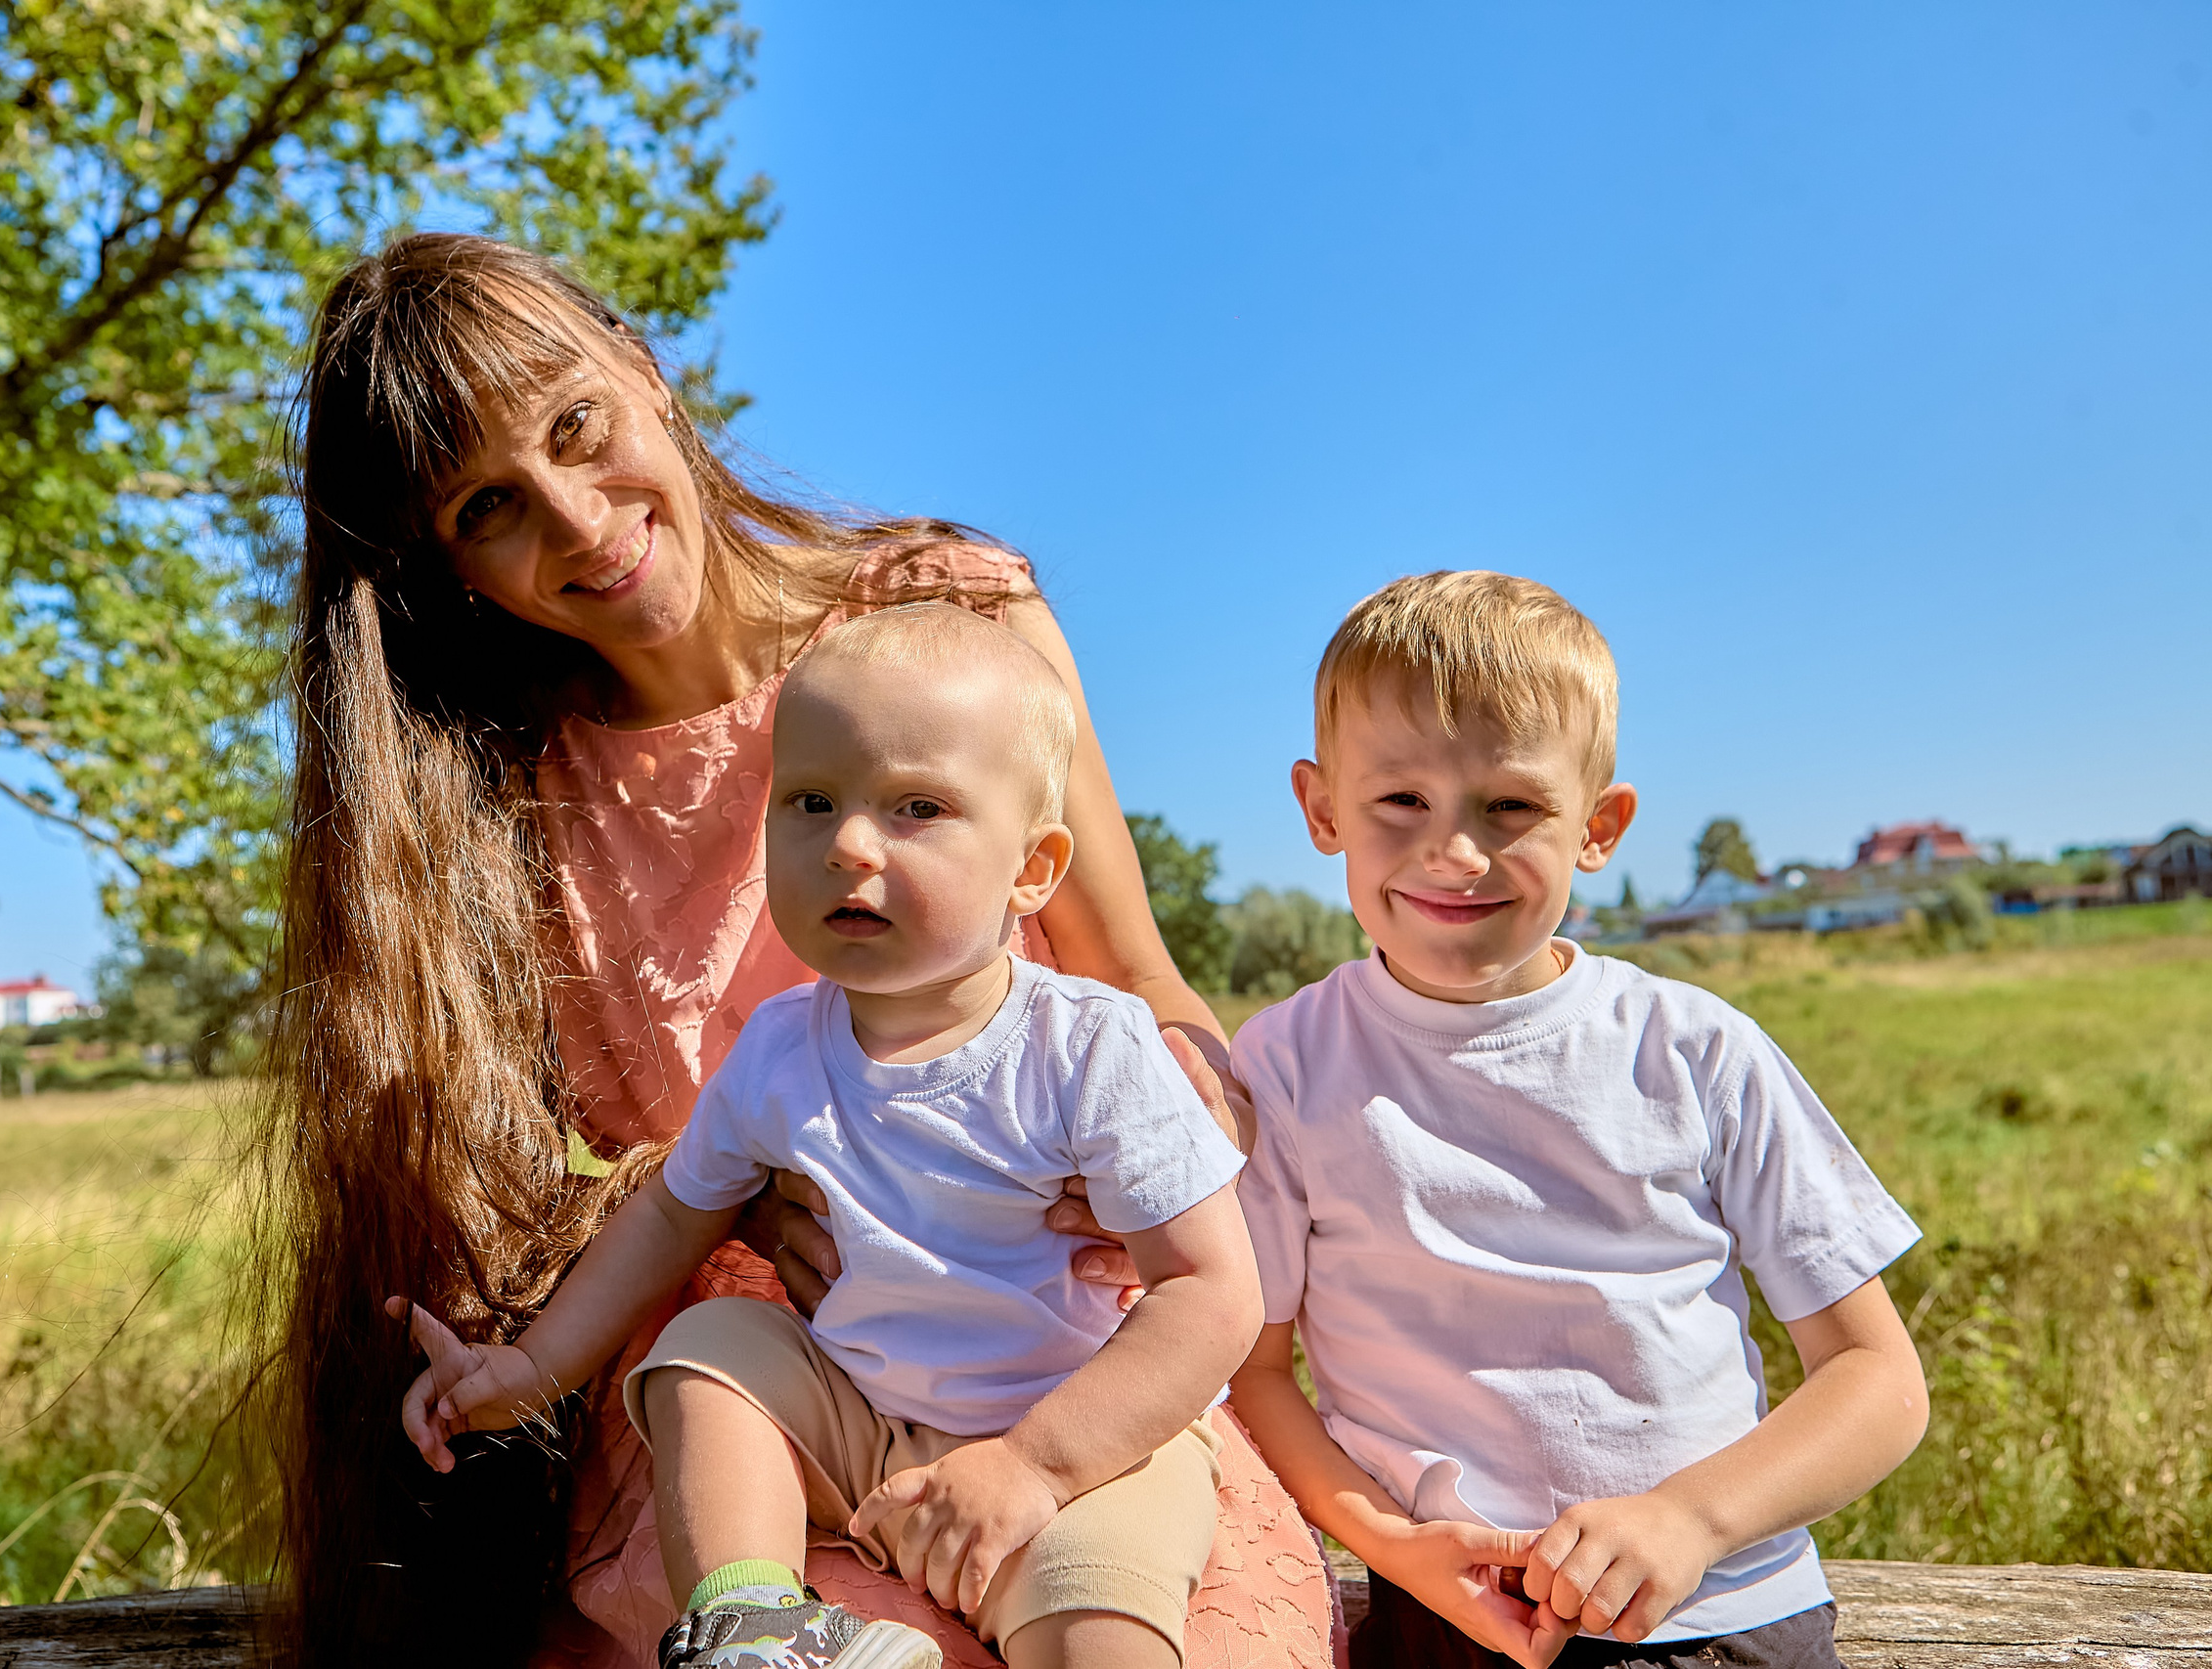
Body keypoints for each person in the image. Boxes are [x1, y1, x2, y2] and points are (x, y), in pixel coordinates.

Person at [266, 231, 1332, 1669]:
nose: (580, 521)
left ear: (645, 367)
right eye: (492, 507)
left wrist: (1177, 1111)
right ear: (451, 569)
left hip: (1058, 1344)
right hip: (769, 1412)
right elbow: (564, 1179)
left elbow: (1131, 968)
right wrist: (746, 1194)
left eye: (580, 426)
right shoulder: (499, 790)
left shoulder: (947, 619)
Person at [393, 603, 1262, 1669]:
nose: (848, 843)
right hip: (863, 1412)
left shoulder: (1086, 1047)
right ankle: (751, 1625)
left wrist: (1032, 1467)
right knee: (709, 1354)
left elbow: (1213, 1293)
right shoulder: (779, 1047)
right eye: (810, 801)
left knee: (1100, 1629)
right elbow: (672, 1211)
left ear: (1032, 870)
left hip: (1082, 1433)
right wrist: (531, 1366)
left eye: (917, 808)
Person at [1225, 571, 1929, 1669]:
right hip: (1444, 1616)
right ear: (1321, 810)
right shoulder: (1280, 1066)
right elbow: (1255, 1372)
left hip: (1725, 1615)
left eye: (1509, 809)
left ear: (1599, 825)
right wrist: (1393, 1545)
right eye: (1398, 803)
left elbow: (1877, 1381)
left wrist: (1688, 1521)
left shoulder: (1695, 1049)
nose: (1454, 854)